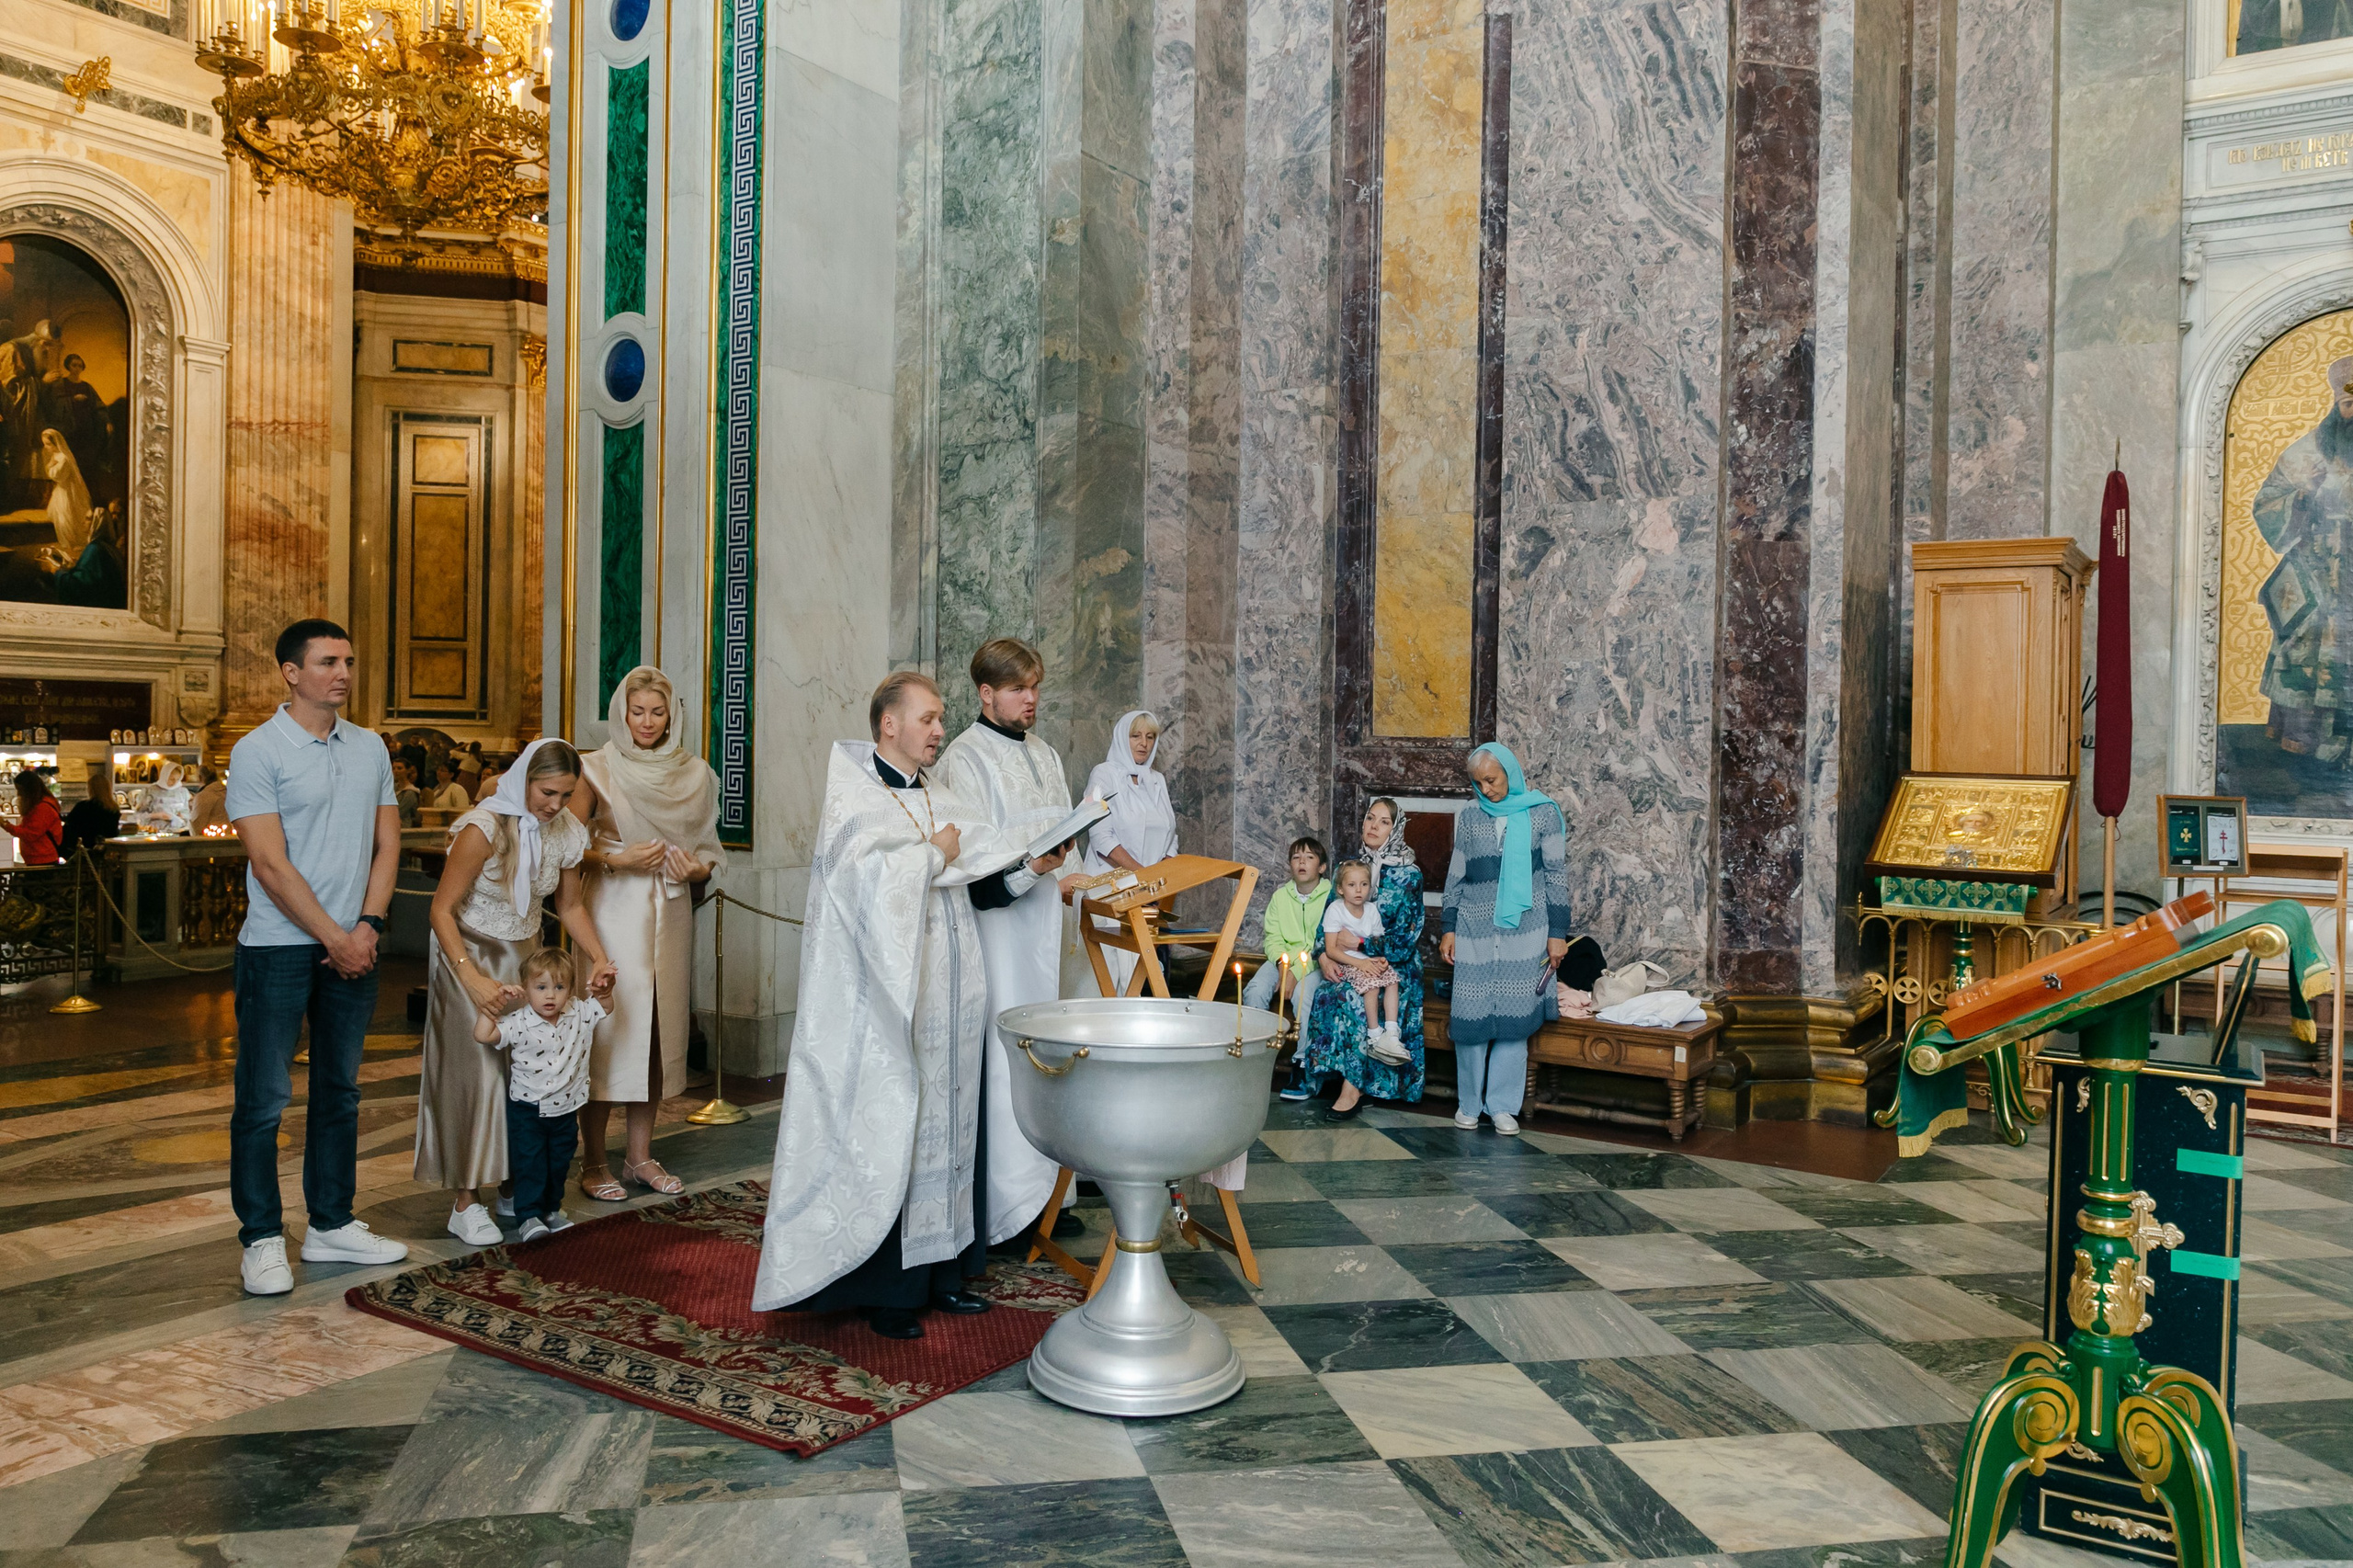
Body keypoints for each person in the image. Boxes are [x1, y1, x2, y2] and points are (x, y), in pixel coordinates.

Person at [752, 672, 1025, 1338]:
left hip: (951, 1003)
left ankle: (945, 1275)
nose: (939, 731)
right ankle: (890, 1293)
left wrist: (1029, 864)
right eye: (929, 719)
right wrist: (931, 857)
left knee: (949, 1130)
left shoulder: (939, 793)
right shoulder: (855, 800)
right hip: (887, 1008)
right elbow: (865, 887)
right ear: (889, 725)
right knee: (896, 1131)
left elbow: (981, 863)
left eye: (940, 719)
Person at [225, 619, 410, 1294]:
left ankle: (331, 1223)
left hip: (355, 945)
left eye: (349, 661)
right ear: (290, 672)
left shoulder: (369, 747)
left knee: (340, 1090)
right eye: (329, 661)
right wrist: (336, 938)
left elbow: (387, 845)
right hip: (278, 948)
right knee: (264, 1100)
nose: (343, 672)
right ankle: (263, 1238)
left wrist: (367, 925)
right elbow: (270, 866)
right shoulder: (257, 750)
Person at [417, 738, 615, 1244]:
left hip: (524, 960)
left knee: (521, 1075)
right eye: (548, 792)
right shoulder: (483, 828)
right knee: (477, 1076)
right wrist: (470, 977)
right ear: (525, 780)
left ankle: (514, 1185)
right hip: (470, 956)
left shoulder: (567, 830)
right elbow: (440, 910)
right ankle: (465, 1201)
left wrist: (597, 956)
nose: (555, 804)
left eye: (566, 794)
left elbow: (569, 907)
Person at [937, 637, 1085, 1246]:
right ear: (986, 692)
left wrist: (1069, 863)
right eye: (1019, 688)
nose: (1031, 699)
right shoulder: (963, 761)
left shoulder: (1046, 754)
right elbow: (973, 872)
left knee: (1054, 1063)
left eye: (1035, 687)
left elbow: (1064, 835)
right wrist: (1033, 868)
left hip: (1052, 931)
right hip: (999, 939)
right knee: (1007, 1067)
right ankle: (1008, 1212)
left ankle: (1052, 1195)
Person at [571, 668, 723, 1201]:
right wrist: (617, 858)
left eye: (657, 712)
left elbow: (708, 851)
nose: (647, 722)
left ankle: (639, 1155)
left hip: (672, 910)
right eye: (637, 712)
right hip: (610, 912)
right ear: (621, 712)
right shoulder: (594, 769)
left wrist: (695, 871)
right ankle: (593, 1160)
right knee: (608, 1032)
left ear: (672, 713)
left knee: (657, 1033)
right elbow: (566, 849)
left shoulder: (696, 773)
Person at [1439, 743, 1573, 1136]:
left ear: (1510, 773)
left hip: (1527, 932)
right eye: (1478, 782)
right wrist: (1449, 926)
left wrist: (1557, 935)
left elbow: (1555, 876)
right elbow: (1456, 875)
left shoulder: (1542, 813)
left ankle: (1501, 1106)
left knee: (1515, 1022)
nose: (1486, 788)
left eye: (1492, 779)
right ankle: (1469, 1104)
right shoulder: (1470, 816)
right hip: (1474, 930)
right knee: (1470, 1018)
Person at [1303, 797, 1429, 1118]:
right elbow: (1325, 925)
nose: (1373, 826)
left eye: (1383, 821)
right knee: (1329, 991)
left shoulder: (1409, 876)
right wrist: (1324, 957)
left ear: (1396, 828)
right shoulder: (1349, 868)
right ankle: (1333, 1076)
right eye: (1370, 818)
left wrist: (1361, 943)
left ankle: (1353, 1087)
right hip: (1347, 961)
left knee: (1353, 997)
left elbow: (1404, 940)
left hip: (1393, 967)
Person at [472, 947, 607, 1241]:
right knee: (531, 1162)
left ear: (570, 990)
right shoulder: (520, 1021)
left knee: (559, 1161)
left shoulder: (579, 1012)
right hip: (528, 1109)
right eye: (541, 987)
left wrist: (605, 986)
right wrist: (492, 1007)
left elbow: (604, 1006)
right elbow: (484, 1035)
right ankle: (528, 1215)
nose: (550, 995)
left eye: (559, 987)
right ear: (527, 988)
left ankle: (550, 1210)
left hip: (567, 1108)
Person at [1080, 710, 1176, 990]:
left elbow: (1171, 835)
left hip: (1150, 894)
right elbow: (1101, 836)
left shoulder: (1157, 780)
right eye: (1136, 736)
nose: (1143, 743)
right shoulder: (1105, 773)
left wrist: (1159, 881)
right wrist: (1143, 875)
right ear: (1123, 738)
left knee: (1142, 973)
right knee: (1111, 973)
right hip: (1109, 889)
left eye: (1149, 737)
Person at [1248, 837, 1330, 1098]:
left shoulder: (1330, 896)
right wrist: (1284, 966)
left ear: (1322, 867)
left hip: (1316, 962)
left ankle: (1302, 1066)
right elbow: (1272, 938)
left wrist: (1296, 973)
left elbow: (1325, 943)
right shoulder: (1280, 897)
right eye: (1296, 857)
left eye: (1309, 857)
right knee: (1255, 989)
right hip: (1282, 960)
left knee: (1303, 996)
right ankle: (1253, 1059)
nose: (1302, 862)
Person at [1324, 861, 1408, 1062]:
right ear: (1340, 889)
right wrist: (1360, 964)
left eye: (1363, 884)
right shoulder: (1335, 910)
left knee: (1392, 980)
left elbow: (1377, 943)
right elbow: (1331, 949)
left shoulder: (1371, 910)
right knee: (1372, 986)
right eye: (1352, 885)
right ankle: (1374, 1036)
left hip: (1367, 959)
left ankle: (1391, 1033)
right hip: (1346, 961)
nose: (1358, 890)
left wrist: (1379, 960)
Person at [61, 764, 120, 858]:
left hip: (85, 851)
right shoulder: (114, 808)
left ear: (90, 789)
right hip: (106, 852)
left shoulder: (83, 806)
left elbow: (70, 828)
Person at [6, 769, 63, 865]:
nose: (19, 794)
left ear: (29, 790)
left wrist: (8, 826)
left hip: (42, 858)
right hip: (40, 857)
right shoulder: (42, 804)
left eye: (20, 790)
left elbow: (30, 833)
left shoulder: (43, 808)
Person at [188, 767, 230, 835]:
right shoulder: (227, 792)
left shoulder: (204, 796)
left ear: (200, 778)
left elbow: (197, 826)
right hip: (231, 838)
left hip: (211, 840)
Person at [391, 756, 422, 827]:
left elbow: (399, 812)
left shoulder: (410, 792)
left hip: (404, 827)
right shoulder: (392, 788)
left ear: (408, 770)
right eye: (394, 768)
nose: (396, 771)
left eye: (399, 768)